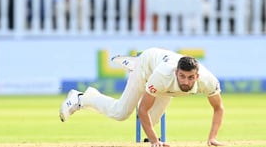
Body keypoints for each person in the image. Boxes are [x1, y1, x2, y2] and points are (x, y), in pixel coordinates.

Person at [60, 47, 225, 147]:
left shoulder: (209, 81)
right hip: (148, 66)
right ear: (176, 72)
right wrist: (155, 141)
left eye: (190, 78)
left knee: (150, 123)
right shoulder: (162, 76)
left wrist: (212, 137)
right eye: (182, 76)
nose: (186, 81)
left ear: (197, 76)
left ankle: (133, 63)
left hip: (164, 80)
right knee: (121, 113)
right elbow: (143, 110)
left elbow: (218, 108)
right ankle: (82, 98)